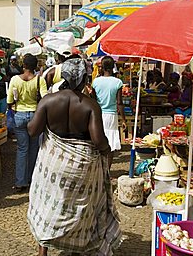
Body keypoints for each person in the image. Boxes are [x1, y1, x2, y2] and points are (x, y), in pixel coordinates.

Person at [27, 58, 122, 256]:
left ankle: (42, 251)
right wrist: (106, 151)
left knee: (47, 204)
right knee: (79, 208)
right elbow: (98, 140)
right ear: (84, 79)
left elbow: (33, 130)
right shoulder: (90, 105)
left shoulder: (48, 101)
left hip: (52, 166)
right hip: (81, 169)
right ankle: (76, 248)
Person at [7, 54, 47, 192]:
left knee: (22, 149)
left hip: (19, 116)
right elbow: (45, 99)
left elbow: (9, 101)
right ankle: (32, 179)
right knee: (34, 148)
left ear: (23, 65)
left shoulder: (14, 80)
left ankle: (20, 182)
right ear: (35, 67)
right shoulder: (39, 80)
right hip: (35, 117)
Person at [92, 56, 126, 168]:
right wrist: (124, 119)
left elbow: (93, 99)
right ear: (113, 67)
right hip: (111, 116)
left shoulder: (96, 81)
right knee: (110, 143)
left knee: (98, 140)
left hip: (97, 115)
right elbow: (119, 103)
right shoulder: (118, 82)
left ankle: (99, 168)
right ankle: (107, 169)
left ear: (102, 67)